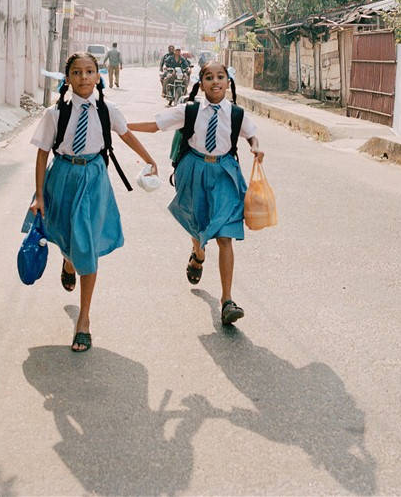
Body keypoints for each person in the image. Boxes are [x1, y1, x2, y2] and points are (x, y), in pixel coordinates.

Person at [30, 52, 158, 352]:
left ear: (98, 76)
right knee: (65, 236)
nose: (84, 77)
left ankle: (83, 320)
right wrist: (38, 195)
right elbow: (42, 154)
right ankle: (68, 260)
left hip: (94, 179)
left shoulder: (107, 110)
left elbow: (126, 136)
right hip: (62, 177)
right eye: (77, 72)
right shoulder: (55, 114)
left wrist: (150, 159)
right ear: (68, 78)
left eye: (90, 71)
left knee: (86, 244)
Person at [129, 62, 264, 326]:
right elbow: (156, 124)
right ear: (201, 83)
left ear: (228, 82)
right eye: (209, 77)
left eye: (220, 77)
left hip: (225, 172)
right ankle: (198, 253)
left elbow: (252, 136)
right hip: (194, 170)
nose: (215, 82)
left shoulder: (236, 114)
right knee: (197, 224)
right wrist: (121, 126)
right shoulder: (189, 111)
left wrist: (256, 148)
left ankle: (227, 300)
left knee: (226, 236)